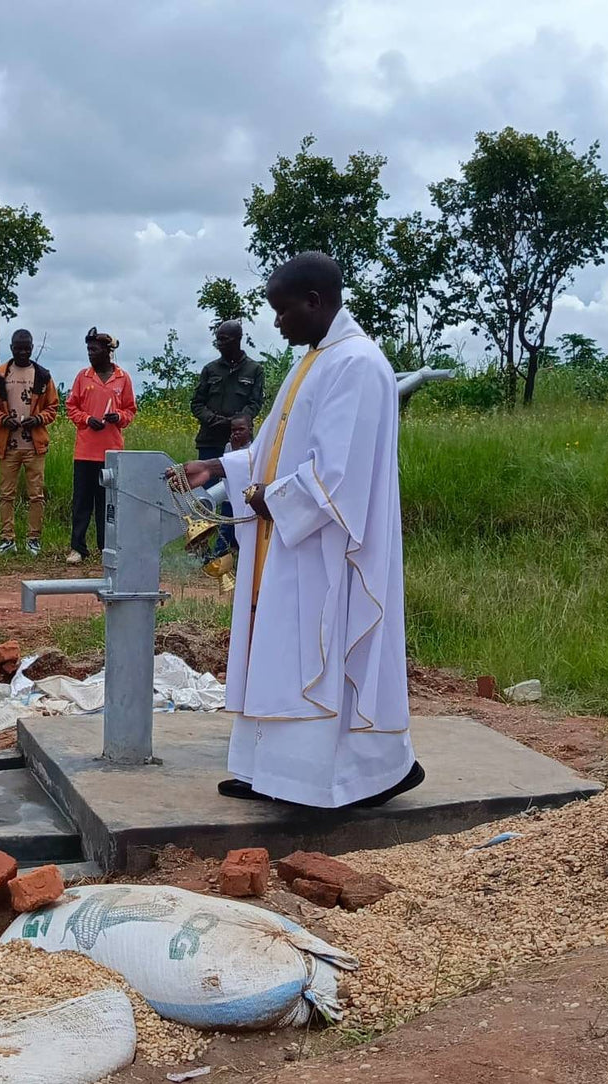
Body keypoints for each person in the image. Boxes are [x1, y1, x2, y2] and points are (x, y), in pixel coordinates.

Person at [168, 252, 422, 809]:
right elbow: (275, 449)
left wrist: (271, 498)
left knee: (319, 654)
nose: (277, 323)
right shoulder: (313, 360)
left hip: (328, 547)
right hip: (288, 541)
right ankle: (273, 773)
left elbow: (337, 473)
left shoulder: (357, 363)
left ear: (315, 301)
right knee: (284, 651)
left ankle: (363, 775)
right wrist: (219, 467)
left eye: (283, 311)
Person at [191, 320, 264, 557]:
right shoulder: (210, 370)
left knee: (235, 499)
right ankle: (202, 552)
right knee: (207, 498)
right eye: (218, 339)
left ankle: (226, 551)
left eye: (224, 339)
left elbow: (255, 404)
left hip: (239, 447)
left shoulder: (254, 370)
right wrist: (215, 420)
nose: (220, 344)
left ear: (237, 339)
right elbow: (197, 404)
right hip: (211, 441)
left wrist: (236, 422)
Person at [65, 326, 137, 564]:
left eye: (94, 349)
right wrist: (87, 419)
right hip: (85, 451)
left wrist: (119, 417)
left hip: (111, 452)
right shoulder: (83, 376)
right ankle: (77, 548)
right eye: (88, 350)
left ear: (107, 351)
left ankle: (106, 547)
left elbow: (130, 410)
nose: (90, 354)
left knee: (107, 504)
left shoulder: (122, 378)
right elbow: (71, 407)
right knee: (81, 502)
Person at [0, 328, 59, 556]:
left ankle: (33, 539)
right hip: (8, 445)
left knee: (36, 495)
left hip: (35, 446)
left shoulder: (42, 375)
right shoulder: (0, 374)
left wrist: (38, 419)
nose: (22, 352)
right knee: (6, 494)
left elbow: (53, 407)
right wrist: (2, 419)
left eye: (26, 348)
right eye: (18, 348)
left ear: (32, 348)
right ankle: (7, 539)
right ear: (11, 348)